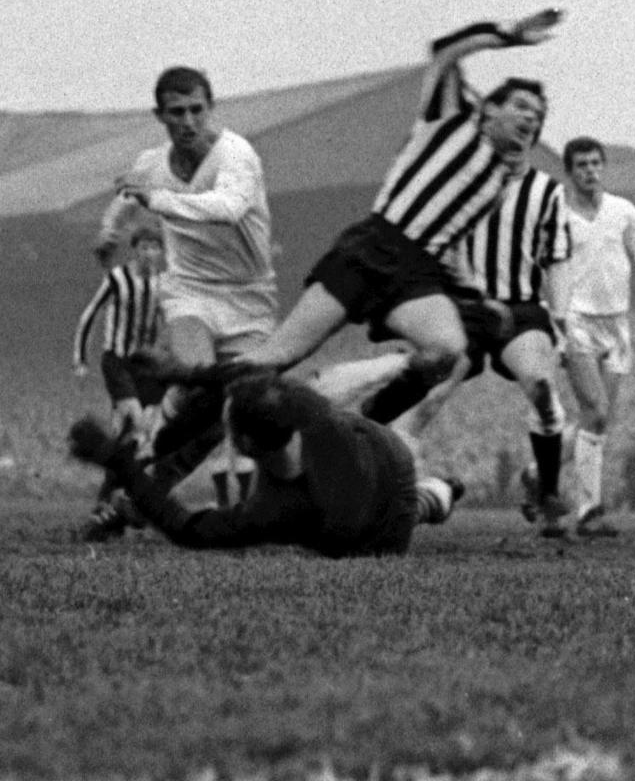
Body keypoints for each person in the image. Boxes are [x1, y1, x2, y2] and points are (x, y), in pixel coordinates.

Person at [223, 9, 564, 407]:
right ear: (491, 109)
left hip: (416, 271)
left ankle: (367, 410)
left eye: (538, 116)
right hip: (373, 246)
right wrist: (506, 35)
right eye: (522, 106)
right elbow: (443, 52)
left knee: (449, 350)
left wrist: (475, 293)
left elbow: (449, 243)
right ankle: (189, 399)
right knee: (280, 356)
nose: (531, 117)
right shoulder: (454, 116)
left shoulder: (499, 183)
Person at [321, 104, 581, 536]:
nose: (518, 142)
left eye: (528, 132)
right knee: (428, 397)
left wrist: (561, 317)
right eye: (511, 130)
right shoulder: (462, 185)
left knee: (540, 384)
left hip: (519, 307)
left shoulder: (545, 191)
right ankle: (367, 473)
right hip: (465, 309)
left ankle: (547, 489)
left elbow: (556, 259)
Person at [101, 67, 277, 496]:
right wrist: (108, 232)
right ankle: (143, 460)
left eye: (197, 109)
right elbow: (127, 197)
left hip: (249, 297)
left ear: (211, 108)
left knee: (244, 406)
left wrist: (158, 201)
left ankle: (142, 485)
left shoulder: (236, 155)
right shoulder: (151, 163)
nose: (188, 121)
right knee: (200, 384)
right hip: (189, 292)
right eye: (176, 112)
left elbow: (228, 207)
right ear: (159, 114)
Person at [66, 368, 421, 557]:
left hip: (381, 511)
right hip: (384, 451)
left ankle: (433, 496)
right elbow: (247, 377)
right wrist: (181, 373)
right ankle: (433, 494)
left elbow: (186, 528)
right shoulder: (303, 410)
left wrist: (115, 458)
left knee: (388, 528)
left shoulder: (278, 510)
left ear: (247, 444)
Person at [553, 136, 635, 537]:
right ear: (570, 171)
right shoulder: (560, 218)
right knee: (595, 411)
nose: (591, 171)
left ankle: (539, 472)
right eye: (582, 165)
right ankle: (588, 511)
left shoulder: (622, 211)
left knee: (596, 420)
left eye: (596, 163)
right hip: (577, 320)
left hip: (616, 323)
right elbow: (547, 269)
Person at [69, 228, 171, 540]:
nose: (149, 253)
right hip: (117, 362)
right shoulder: (116, 279)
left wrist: (166, 354)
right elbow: (89, 315)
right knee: (138, 428)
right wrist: (80, 358)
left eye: (155, 247)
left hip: (146, 367)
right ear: (134, 250)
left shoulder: (162, 284)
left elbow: (169, 321)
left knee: (130, 440)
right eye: (144, 247)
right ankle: (122, 507)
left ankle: (107, 508)